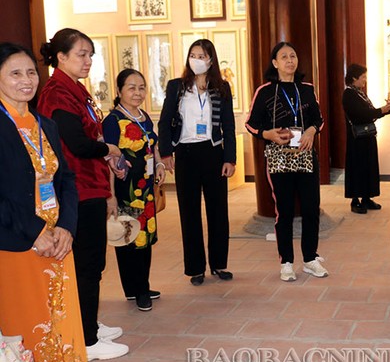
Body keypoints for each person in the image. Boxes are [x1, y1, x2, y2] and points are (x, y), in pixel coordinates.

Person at [0, 42, 89, 362]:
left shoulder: (44, 124)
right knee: (26, 323)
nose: (26, 81)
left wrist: (66, 227)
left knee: (61, 318)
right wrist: (37, 233)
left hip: (57, 241)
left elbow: (66, 179)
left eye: (31, 73)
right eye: (15, 73)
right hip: (19, 243)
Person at [37, 28, 128, 361]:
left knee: (91, 263)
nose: (88, 60)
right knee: (87, 264)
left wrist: (106, 156)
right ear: (60, 57)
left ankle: (87, 323)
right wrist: (108, 147)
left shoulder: (75, 89)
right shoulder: (57, 93)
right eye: (81, 54)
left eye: (91, 54)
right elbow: (75, 143)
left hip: (90, 183)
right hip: (76, 187)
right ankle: (87, 340)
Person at [245, 42, 327, 282]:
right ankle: (287, 262)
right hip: (279, 159)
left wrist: (312, 131)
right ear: (275, 63)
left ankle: (310, 259)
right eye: (284, 57)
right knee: (285, 211)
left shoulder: (307, 89)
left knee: (311, 209)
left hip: (305, 154)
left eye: (293, 55)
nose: (290, 60)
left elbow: (318, 119)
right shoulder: (265, 91)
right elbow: (251, 123)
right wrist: (267, 134)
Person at [158, 39, 236, 286]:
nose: (196, 60)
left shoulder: (222, 88)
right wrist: (166, 152)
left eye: (202, 55)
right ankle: (195, 268)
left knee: (218, 211)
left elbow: (229, 127)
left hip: (212, 153)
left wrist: (229, 158)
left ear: (211, 60)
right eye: (193, 55)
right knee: (189, 212)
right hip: (185, 154)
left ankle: (219, 264)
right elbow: (165, 120)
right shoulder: (177, 87)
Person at [102, 69, 164, 311]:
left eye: (141, 87)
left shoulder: (143, 116)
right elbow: (107, 160)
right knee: (129, 239)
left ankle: (140, 286)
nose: (137, 93)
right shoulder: (113, 122)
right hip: (125, 190)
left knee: (144, 237)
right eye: (131, 87)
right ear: (119, 91)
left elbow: (153, 144)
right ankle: (137, 291)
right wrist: (111, 195)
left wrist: (158, 163)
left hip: (145, 188)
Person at [342, 63, 390, 214]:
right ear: (354, 78)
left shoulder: (360, 93)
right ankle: (355, 200)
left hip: (367, 136)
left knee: (368, 168)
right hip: (357, 139)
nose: (364, 80)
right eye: (362, 77)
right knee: (357, 168)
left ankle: (366, 197)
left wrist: (385, 110)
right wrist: (379, 111)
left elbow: (369, 112)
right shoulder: (349, 94)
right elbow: (360, 114)